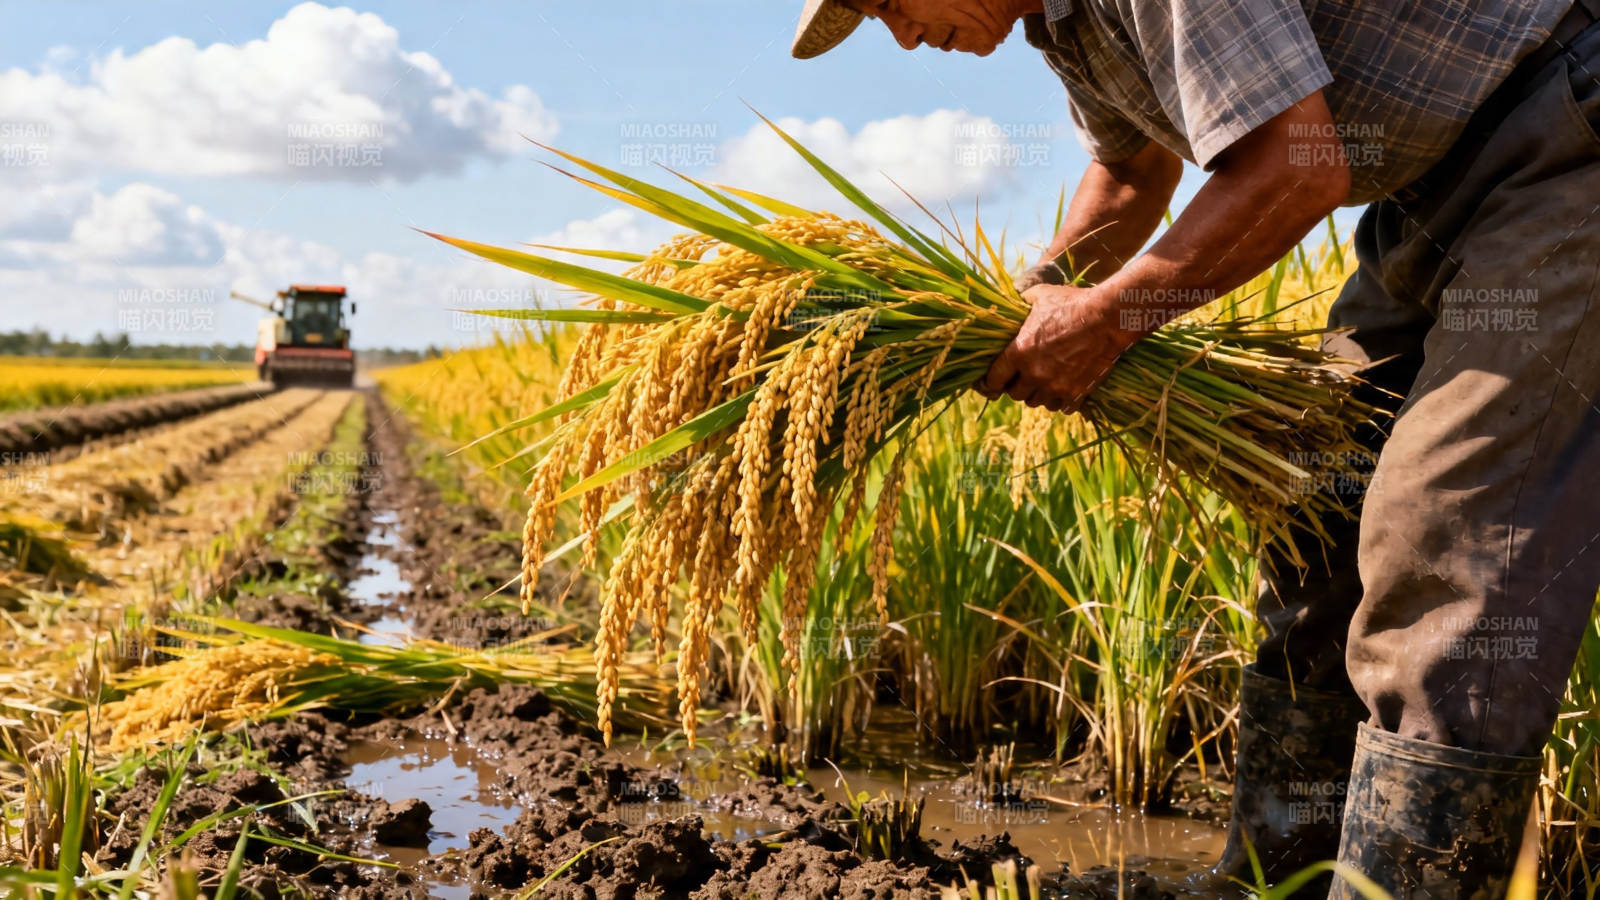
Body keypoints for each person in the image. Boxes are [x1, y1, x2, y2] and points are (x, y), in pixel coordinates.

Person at [792, 0, 1600, 895]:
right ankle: (1270, 884)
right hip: (1430, 196)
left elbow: (1298, 166)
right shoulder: (1063, 25)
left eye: (889, 3)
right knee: (1314, 508)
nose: (903, 35)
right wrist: (1032, 302)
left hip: (1563, 132)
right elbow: (1132, 171)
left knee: (1438, 536)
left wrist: (1107, 323)